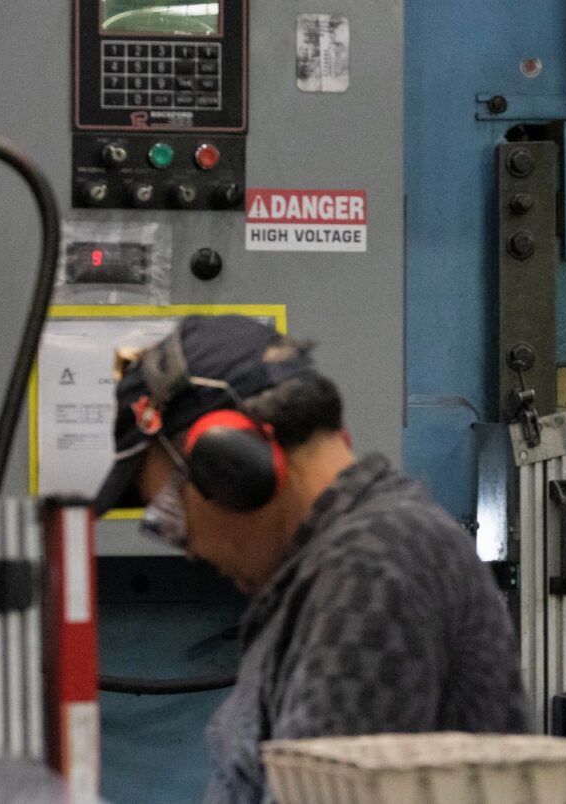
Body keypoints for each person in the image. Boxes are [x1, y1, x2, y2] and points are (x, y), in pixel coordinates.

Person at [92, 315, 527, 804]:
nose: (188, 546)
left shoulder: (375, 567)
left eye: (171, 514)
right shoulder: (321, 572)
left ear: (233, 465)